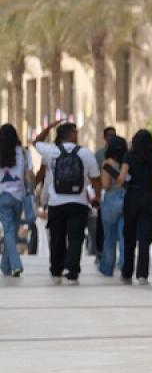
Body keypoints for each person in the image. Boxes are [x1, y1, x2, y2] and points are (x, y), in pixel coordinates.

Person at [33, 120, 99, 285]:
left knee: (57, 238)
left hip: (56, 203)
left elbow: (36, 142)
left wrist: (49, 126)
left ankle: (56, 271)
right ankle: (72, 273)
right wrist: (97, 197)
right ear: (69, 134)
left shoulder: (52, 152)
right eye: (75, 132)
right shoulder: (85, 153)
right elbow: (96, 179)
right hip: (79, 203)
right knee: (76, 238)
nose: (77, 135)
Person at [117, 130, 152, 284]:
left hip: (131, 197)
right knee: (145, 239)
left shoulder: (129, 156)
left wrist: (124, 185)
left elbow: (121, 178)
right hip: (148, 198)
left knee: (129, 237)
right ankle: (142, 275)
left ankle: (127, 272)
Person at [96, 133, 128, 277]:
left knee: (109, 236)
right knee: (124, 236)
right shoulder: (127, 162)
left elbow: (106, 184)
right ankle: (124, 266)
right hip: (126, 198)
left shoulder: (107, 163)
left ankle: (107, 267)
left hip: (111, 199)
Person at [0, 124, 29, 277]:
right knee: (12, 232)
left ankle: (9, 265)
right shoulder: (23, 152)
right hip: (18, 197)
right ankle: (11, 266)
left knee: (9, 232)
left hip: (2, 197)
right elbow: (28, 174)